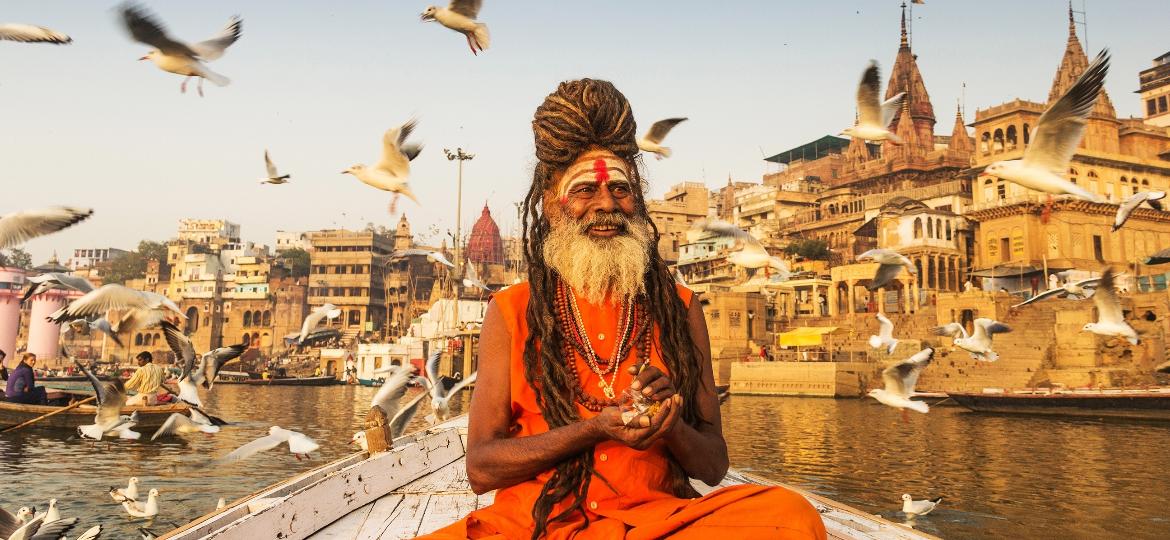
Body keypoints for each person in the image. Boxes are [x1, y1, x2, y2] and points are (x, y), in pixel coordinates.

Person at [422, 79, 825, 539]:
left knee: (792, 516)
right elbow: (482, 468)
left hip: (653, 525)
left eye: (620, 188)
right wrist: (593, 429)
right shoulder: (513, 309)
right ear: (554, 205)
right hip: (534, 526)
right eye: (584, 192)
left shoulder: (679, 308)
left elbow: (713, 466)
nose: (607, 205)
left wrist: (671, 422)